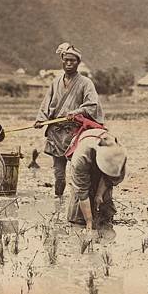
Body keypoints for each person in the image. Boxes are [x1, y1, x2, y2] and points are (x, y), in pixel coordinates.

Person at [35, 43, 104, 199]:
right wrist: (41, 119)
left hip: (75, 134)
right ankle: (58, 201)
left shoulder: (86, 83)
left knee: (77, 171)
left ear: (78, 63)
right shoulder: (55, 83)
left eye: (72, 61)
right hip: (56, 133)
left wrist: (77, 111)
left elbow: (92, 104)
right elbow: (46, 103)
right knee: (59, 174)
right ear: (62, 61)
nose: (68, 63)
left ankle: (79, 203)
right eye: (66, 60)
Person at [66, 128, 127, 230]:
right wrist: (89, 222)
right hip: (84, 150)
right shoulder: (80, 159)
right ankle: (80, 221)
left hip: (102, 150)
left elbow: (109, 178)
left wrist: (99, 195)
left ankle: (104, 220)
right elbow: (82, 191)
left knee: (104, 199)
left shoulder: (117, 154)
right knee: (80, 203)